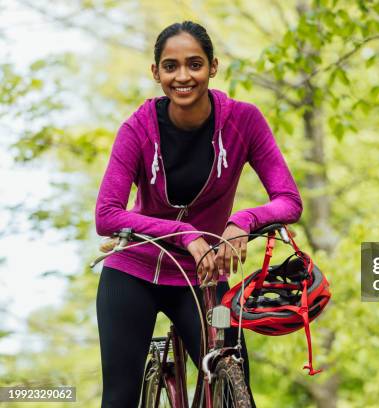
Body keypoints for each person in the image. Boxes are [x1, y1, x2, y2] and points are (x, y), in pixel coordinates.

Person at [94, 20, 302, 407]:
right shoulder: (136, 130)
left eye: (195, 64)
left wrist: (244, 221)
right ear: (156, 73)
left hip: (203, 280)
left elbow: (289, 200)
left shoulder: (244, 121)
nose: (183, 76)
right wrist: (187, 234)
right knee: (119, 397)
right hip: (133, 274)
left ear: (213, 66)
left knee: (235, 391)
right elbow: (107, 215)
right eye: (171, 66)